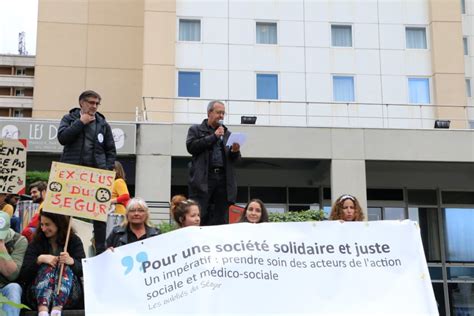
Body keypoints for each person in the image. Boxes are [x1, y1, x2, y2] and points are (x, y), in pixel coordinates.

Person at [57, 90, 116, 255]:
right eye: (91, 102)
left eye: (97, 103)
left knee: (98, 215)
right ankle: (63, 248)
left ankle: (100, 251)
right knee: (64, 213)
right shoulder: (69, 119)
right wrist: (80, 122)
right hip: (73, 173)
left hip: (96, 175)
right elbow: (63, 138)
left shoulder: (103, 124)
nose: (94, 106)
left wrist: (107, 169)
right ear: (81, 103)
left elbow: (110, 150)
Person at [186, 100, 241, 226]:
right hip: (204, 179)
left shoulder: (227, 134)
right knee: (200, 213)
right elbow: (191, 147)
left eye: (223, 113)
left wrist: (235, 151)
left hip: (223, 180)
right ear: (209, 113)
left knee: (220, 217)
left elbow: (236, 160)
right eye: (218, 112)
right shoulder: (196, 129)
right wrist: (214, 137)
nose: (221, 116)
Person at [20, 212, 85, 315]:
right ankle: (43, 310)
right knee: (47, 267)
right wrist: (39, 260)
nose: (43, 229)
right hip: (36, 295)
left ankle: (56, 310)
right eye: (41, 224)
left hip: (69, 295)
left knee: (64, 266)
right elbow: (24, 275)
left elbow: (84, 271)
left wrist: (71, 262)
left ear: (58, 223)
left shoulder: (73, 240)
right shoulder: (36, 242)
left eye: (47, 224)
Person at [0, 212, 28, 316]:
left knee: (14, 288)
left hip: (4, 288)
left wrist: (0, 244)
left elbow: (12, 275)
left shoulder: (19, 240)